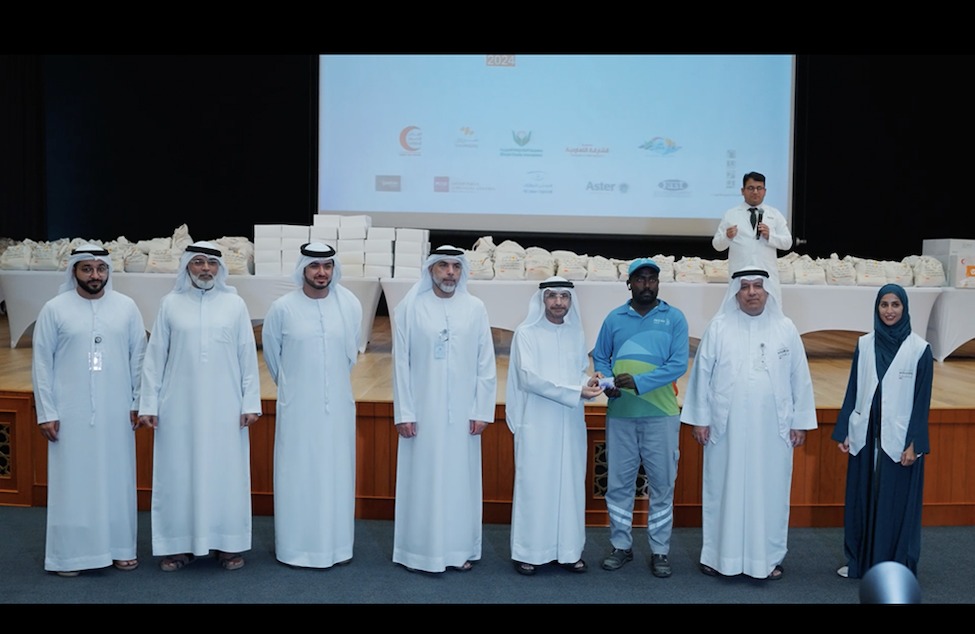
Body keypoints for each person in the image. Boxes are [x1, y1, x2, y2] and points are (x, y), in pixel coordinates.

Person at [680, 265, 817, 581]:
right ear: (736, 292)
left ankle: (766, 559)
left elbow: (800, 377)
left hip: (773, 430)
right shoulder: (719, 328)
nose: (752, 292)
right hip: (725, 428)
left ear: (768, 290)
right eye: (745, 287)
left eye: (757, 286)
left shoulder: (785, 328)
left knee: (770, 491)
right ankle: (718, 557)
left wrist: (799, 421)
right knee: (723, 489)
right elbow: (701, 376)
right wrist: (700, 420)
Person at [137, 241, 262, 572]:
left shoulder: (234, 305)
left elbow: (247, 356)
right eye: (198, 262)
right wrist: (149, 404)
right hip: (178, 407)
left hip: (226, 407)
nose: (206, 269)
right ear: (187, 267)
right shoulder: (170, 304)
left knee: (227, 474)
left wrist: (250, 402)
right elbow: (155, 357)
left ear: (220, 269)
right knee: (178, 474)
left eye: (211, 263)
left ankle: (227, 543)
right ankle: (178, 546)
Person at [32, 244, 147, 577]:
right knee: (73, 482)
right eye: (87, 269)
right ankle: (71, 556)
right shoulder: (55, 309)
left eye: (101, 268)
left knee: (117, 479)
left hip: (117, 410)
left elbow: (139, 357)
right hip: (70, 411)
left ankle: (121, 548)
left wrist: (138, 401)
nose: (95, 275)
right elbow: (41, 363)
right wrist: (46, 411)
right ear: (74, 271)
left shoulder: (126, 307)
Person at [391, 245, 497, 574]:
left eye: (455, 266)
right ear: (430, 270)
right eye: (443, 266)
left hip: (464, 415)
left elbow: (486, 362)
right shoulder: (411, 307)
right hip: (422, 413)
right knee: (423, 479)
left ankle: (458, 549)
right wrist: (404, 413)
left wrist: (482, 410)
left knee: (459, 482)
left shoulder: (475, 308)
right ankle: (418, 552)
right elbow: (401, 364)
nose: (450, 272)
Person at [262, 242, 363, 569]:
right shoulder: (282, 308)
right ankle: (295, 549)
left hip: (338, 408)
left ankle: (337, 547)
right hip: (298, 409)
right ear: (302, 269)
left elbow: (349, 355)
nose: (322, 272)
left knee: (336, 474)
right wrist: (298, 389)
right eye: (315, 266)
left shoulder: (349, 305)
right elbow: (274, 359)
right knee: (298, 475)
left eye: (327, 266)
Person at [591, 257, 689, 578]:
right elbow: (600, 356)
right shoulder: (614, 318)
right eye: (640, 279)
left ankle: (660, 550)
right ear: (629, 284)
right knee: (619, 485)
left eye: (652, 279)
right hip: (621, 414)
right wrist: (606, 382)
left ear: (658, 283)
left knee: (662, 486)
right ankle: (621, 545)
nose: (646, 284)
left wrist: (639, 383)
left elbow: (678, 364)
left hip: (661, 414)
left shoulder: (674, 318)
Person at [832, 283, 932, 580]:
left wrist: (914, 443)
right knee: (862, 498)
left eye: (895, 305)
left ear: (905, 308)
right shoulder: (864, 344)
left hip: (899, 439)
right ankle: (859, 562)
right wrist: (844, 428)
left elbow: (921, 402)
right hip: (865, 434)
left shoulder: (919, 349)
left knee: (895, 502)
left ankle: (896, 564)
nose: (889, 311)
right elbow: (854, 388)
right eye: (884, 305)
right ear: (877, 308)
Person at [505, 276, 604, 576]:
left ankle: (568, 551)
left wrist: (588, 382)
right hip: (537, 421)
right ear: (542, 300)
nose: (559, 302)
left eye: (564, 296)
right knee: (536, 486)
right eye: (552, 296)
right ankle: (530, 552)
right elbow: (529, 379)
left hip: (570, 422)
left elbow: (577, 372)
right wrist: (576, 390)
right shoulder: (526, 333)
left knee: (569, 486)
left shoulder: (576, 332)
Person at [712, 171, 793, 296]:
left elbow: (787, 243)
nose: (755, 192)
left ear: (765, 191)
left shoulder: (775, 214)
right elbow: (717, 245)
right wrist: (727, 237)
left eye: (759, 188)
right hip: (740, 276)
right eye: (750, 188)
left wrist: (770, 236)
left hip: (766, 275)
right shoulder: (731, 214)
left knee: (769, 307)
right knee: (738, 307)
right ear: (742, 191)